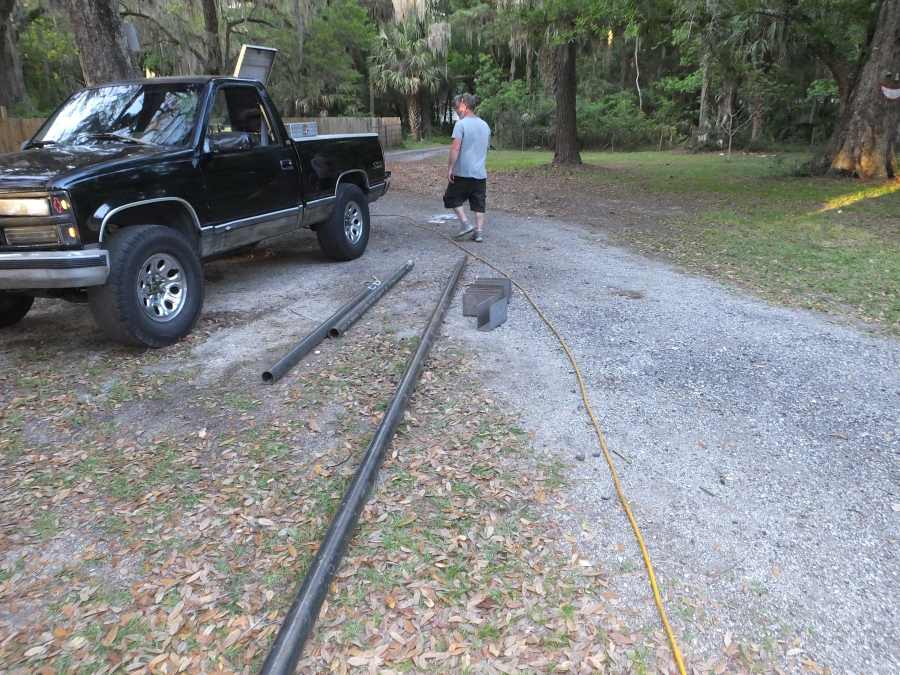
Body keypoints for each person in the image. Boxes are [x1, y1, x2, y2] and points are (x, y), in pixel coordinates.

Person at [444, 93, 491, 242]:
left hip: (463, 173)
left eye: (457, 107)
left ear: (464, 105)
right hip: (480, 173)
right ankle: (479, 232)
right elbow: (486, 149)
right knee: (479, 203)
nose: (457, 110)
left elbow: (455, 148)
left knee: (450, 197)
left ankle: (465, 224)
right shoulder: (485, 125)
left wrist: (450, 167)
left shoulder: (461, 124)